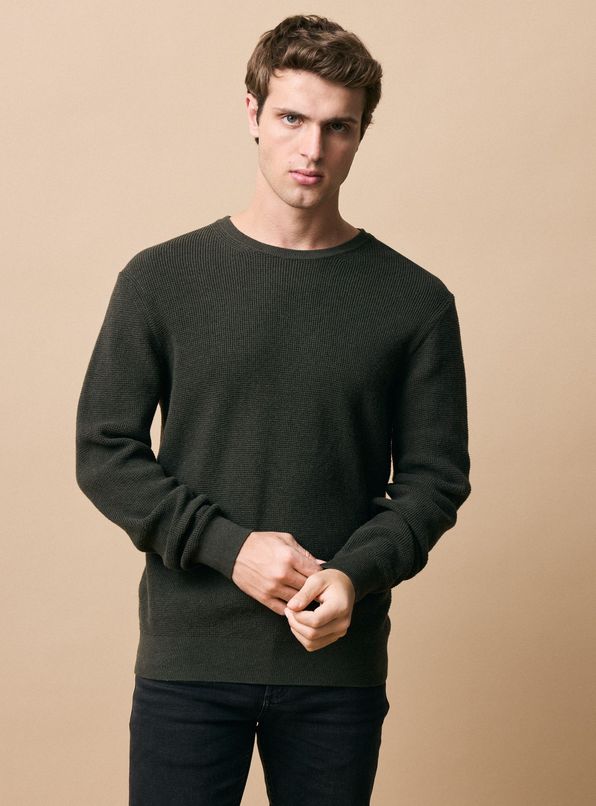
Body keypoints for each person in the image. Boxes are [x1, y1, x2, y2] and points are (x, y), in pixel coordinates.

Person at [75, 13, 471, 806]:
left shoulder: (415, 301)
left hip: (336, 668)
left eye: (337, 127)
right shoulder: (162, 279)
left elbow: (435, 482)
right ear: (252, 113)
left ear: (361, 135)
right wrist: (231, 549)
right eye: (292, 118)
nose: (312, 148)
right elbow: (104, 451)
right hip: (189, 663)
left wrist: (353, 576)